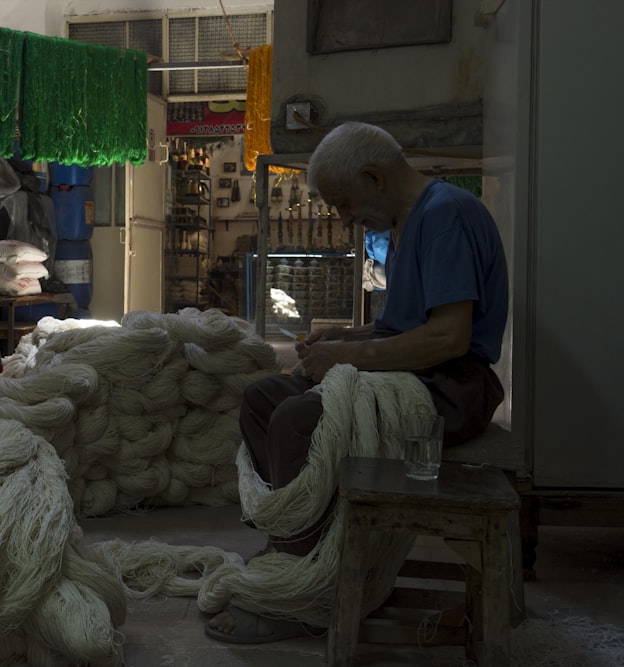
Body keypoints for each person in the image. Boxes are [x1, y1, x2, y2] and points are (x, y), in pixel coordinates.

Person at [205, 121, 509, 643]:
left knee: (301, 419)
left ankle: (303, 595)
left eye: (346, 203)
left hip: (452, 386)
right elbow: (407, 327)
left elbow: (450, 338)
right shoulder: (408, 223)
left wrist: (353, 354)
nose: (346, 219)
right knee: (262, 398)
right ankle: (298, 550)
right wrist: (347, 336)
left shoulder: (445, 216)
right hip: (420, 373)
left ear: (374, 177)